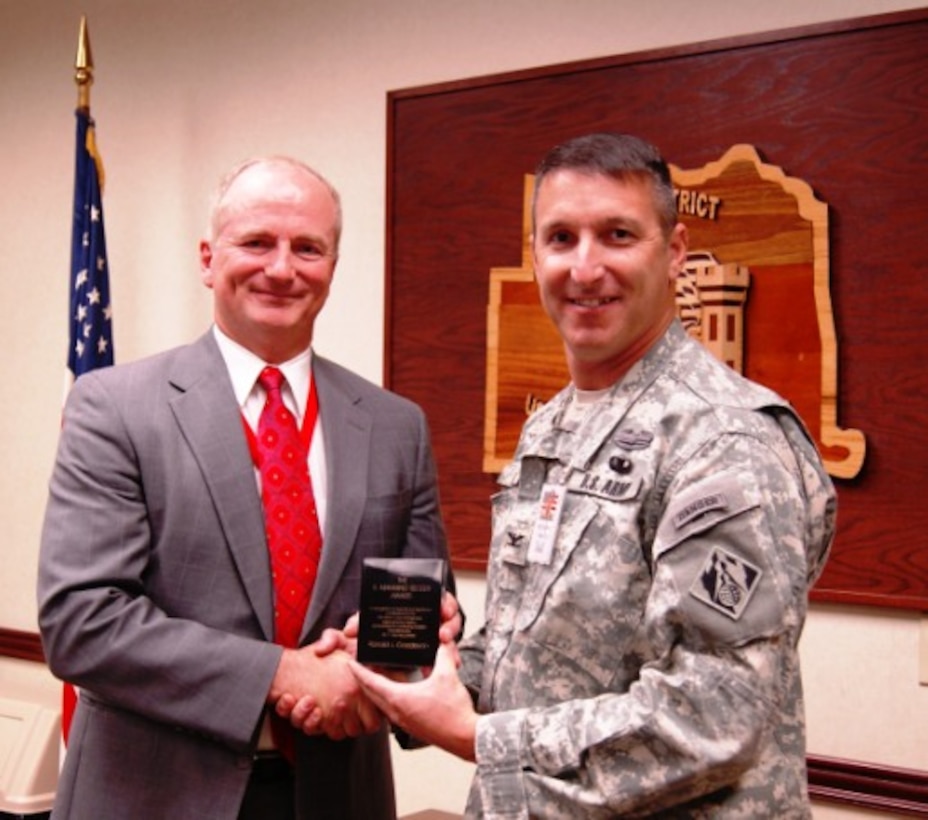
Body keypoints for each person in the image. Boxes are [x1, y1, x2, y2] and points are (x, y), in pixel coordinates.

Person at [348, 133, 837, 817]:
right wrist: (425, 672)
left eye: (617, 235)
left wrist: (477, 736)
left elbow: (713, 713)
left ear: (674, 253)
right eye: (561, 238)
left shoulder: (724, 437)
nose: (585, 267)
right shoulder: (554, 426)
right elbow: (542, 652)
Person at [38, 155, 456, 820]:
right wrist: (284, 673)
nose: (283, 267)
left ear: (332, 267)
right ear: (208, 258)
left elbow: (412, 622)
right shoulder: (114, 407)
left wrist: (406, 653)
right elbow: (82, 621)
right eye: (257, 242)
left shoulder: (395, 426)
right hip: (152, 796)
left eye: (308, 248)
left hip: (338, 795)